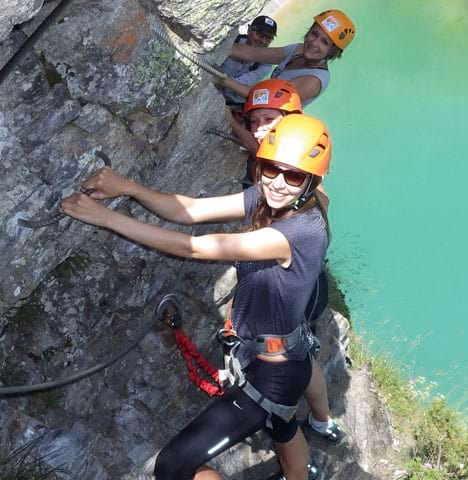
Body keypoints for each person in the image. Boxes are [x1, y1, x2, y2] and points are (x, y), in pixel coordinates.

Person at [60, 114, 332, 480]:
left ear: (311, 180)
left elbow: (197, 248)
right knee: (280, 424)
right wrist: (128, 188)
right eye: (271, 169)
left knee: (173, 466)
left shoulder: (298, 231)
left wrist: (106, 218)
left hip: (277, 372)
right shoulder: (272, 200)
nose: (279, 183)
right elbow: (191, 210)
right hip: (270, 356)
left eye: (294, 175)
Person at [229, 79, 345, 449]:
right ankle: (319, 420)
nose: (262, 128)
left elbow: (255, 147)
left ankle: (316, 420)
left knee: (300, 353)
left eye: (271, 121)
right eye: (256, 121)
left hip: (302, 288)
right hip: (302, 279)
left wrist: (230, 119)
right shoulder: (294, 166)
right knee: (301, 353)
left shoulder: (304, 180)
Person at [220, 10, 355, 107]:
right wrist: (218, 51)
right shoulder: (298, 50)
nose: (314, 43)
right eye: (314, 34)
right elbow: (253, 53)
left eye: (325, 42)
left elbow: (267, 98)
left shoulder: (314, 80)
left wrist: (222, 79)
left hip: (266, 125)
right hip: (257, 111)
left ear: (332, 51)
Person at [220, 15, 278, 108]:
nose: (263, 41)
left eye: (268, 38)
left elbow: (240, 83)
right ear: (249, 30)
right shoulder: (232, 41)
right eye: (260, 34)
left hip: (236, 104)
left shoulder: (265, 64)